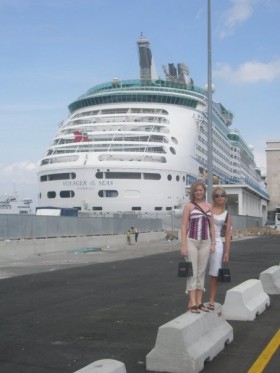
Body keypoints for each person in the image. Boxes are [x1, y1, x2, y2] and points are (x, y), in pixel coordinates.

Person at [181, 181, 216, 314]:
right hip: (192, 241)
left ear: (204, 191)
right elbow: (184, 226)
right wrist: (183, 245)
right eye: (196, 190)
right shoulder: (189, 206)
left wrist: (213, 243)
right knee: (193, 273)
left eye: (200, 190)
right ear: (193, 192)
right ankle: (192, 303)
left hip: (205, 242)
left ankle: (199, 301)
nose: (198, 192)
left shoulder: (209, 206)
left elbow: (211, 226)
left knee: (201, 273)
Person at [207, 187, 232, 310]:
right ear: (213, 197)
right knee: (198, 271)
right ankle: (194, 300)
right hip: (204, 240)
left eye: (222, 195)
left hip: (217, 242)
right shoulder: (208, 209)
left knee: (215, 272)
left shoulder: (227, 215)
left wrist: (227, 251)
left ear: (225, 198)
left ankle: (211, 299)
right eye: (217, 195)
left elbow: (227, 235)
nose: (220, 197)